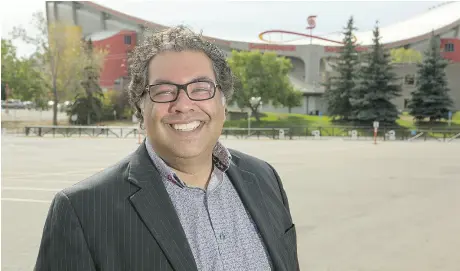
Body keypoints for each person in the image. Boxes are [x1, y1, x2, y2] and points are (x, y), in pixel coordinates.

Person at [35, 25, 299, 271]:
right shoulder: (83, 211)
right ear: (141, 106)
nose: (183, 104)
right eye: (163, 91)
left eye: (200, 88)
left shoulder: (265, 179)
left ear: (223, 102)